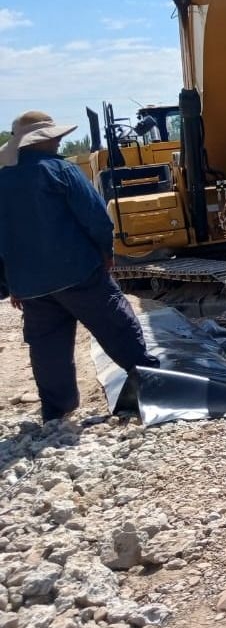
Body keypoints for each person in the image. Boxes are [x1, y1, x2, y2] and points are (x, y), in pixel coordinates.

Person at [0, 111, 159, 423]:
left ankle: (56, 413)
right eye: (55, 137)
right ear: (44, 140)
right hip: (78, 273)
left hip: (31, 287)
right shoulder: (60, 170)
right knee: (117, 326)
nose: (59, 140)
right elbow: (96, 217)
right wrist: (106, 252)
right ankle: (152, 386)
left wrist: (12, 284)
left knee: (47, 349)